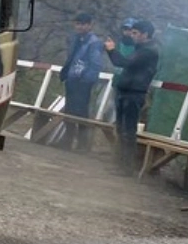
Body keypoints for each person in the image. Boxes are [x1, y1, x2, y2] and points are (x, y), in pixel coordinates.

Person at [103, 19, 160, 175]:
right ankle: (120, 164)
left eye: (135, 33)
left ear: (145, 34)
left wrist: (111, 50)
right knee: (121, 130)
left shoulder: (149, 51)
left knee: (128, 131)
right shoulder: (141, 49)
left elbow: (124, 62)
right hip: (126, 91)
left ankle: (127, 167)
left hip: (134, 93)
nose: (132, 35)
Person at [57, 12, 105, 151]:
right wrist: (65, 73)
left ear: (90, 25)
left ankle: (82, 144)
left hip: (83, 81)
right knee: (69, 111)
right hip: (72, 78)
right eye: (77, 24)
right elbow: (71, 58)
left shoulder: (94, 42)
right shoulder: (75, 39)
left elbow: (95, 64)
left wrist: (86, 80)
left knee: (81, 112)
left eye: (83, 24)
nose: (80, 27)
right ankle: (67, 140)